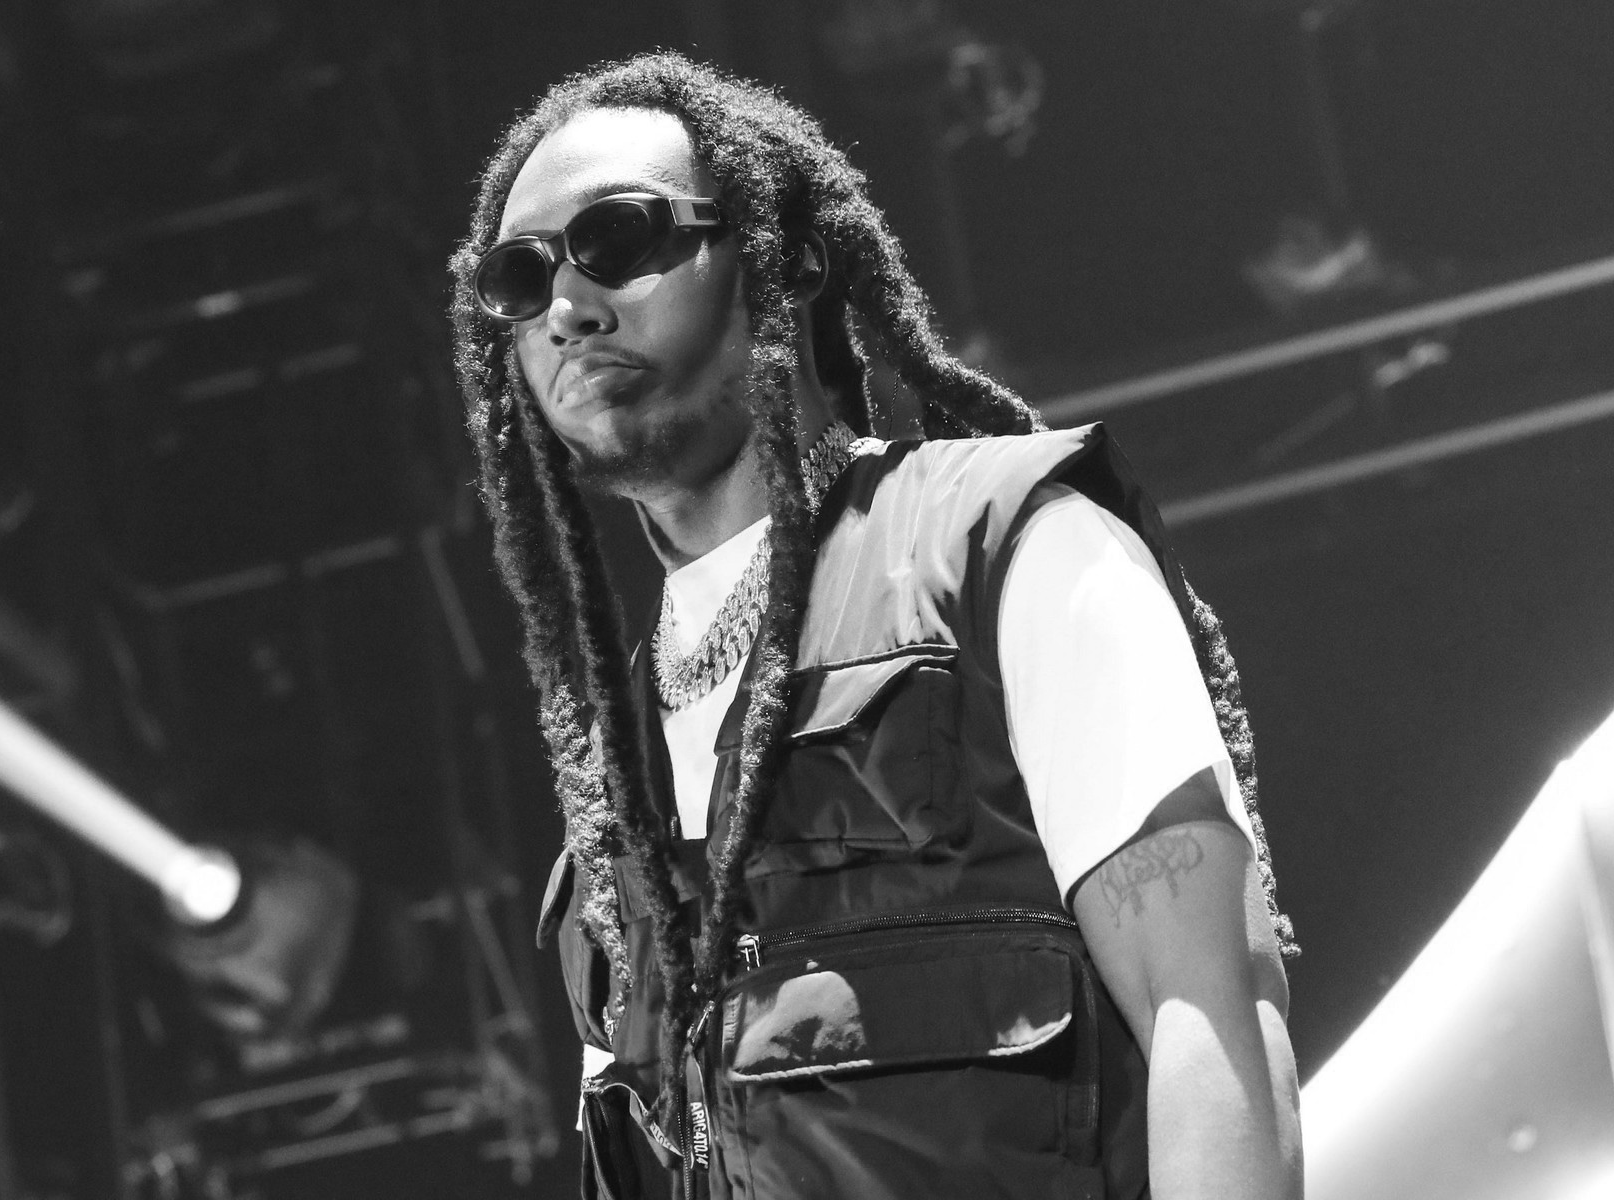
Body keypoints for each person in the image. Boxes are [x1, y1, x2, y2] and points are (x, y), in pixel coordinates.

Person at [449, 52, 1301, 1200]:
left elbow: (1213, 1017)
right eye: (519, 279)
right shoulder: (612, 774)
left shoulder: (1003, 549)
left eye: (618, 239)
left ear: (783, 259)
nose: (567, 307)